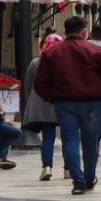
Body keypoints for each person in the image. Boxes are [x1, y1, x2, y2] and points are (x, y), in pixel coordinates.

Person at [35, 16, 101, 195]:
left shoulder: (51, 53)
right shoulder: (95, 51)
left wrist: (51, 97)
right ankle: (89, 177)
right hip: (93, 102)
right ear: (84, 32)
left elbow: (40, 81)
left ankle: (77, 180)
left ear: (65, 32)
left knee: (70, 140)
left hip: (64, 102)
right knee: (90, 141)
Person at [23, 35, 67, 181]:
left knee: (48, 137)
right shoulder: (65, 62)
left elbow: (28, 85)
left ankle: (46, 167)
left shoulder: (35, 63)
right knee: (68, 137)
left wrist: (31, 101)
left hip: (41, 104)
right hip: (63, 103)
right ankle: (68, 169)